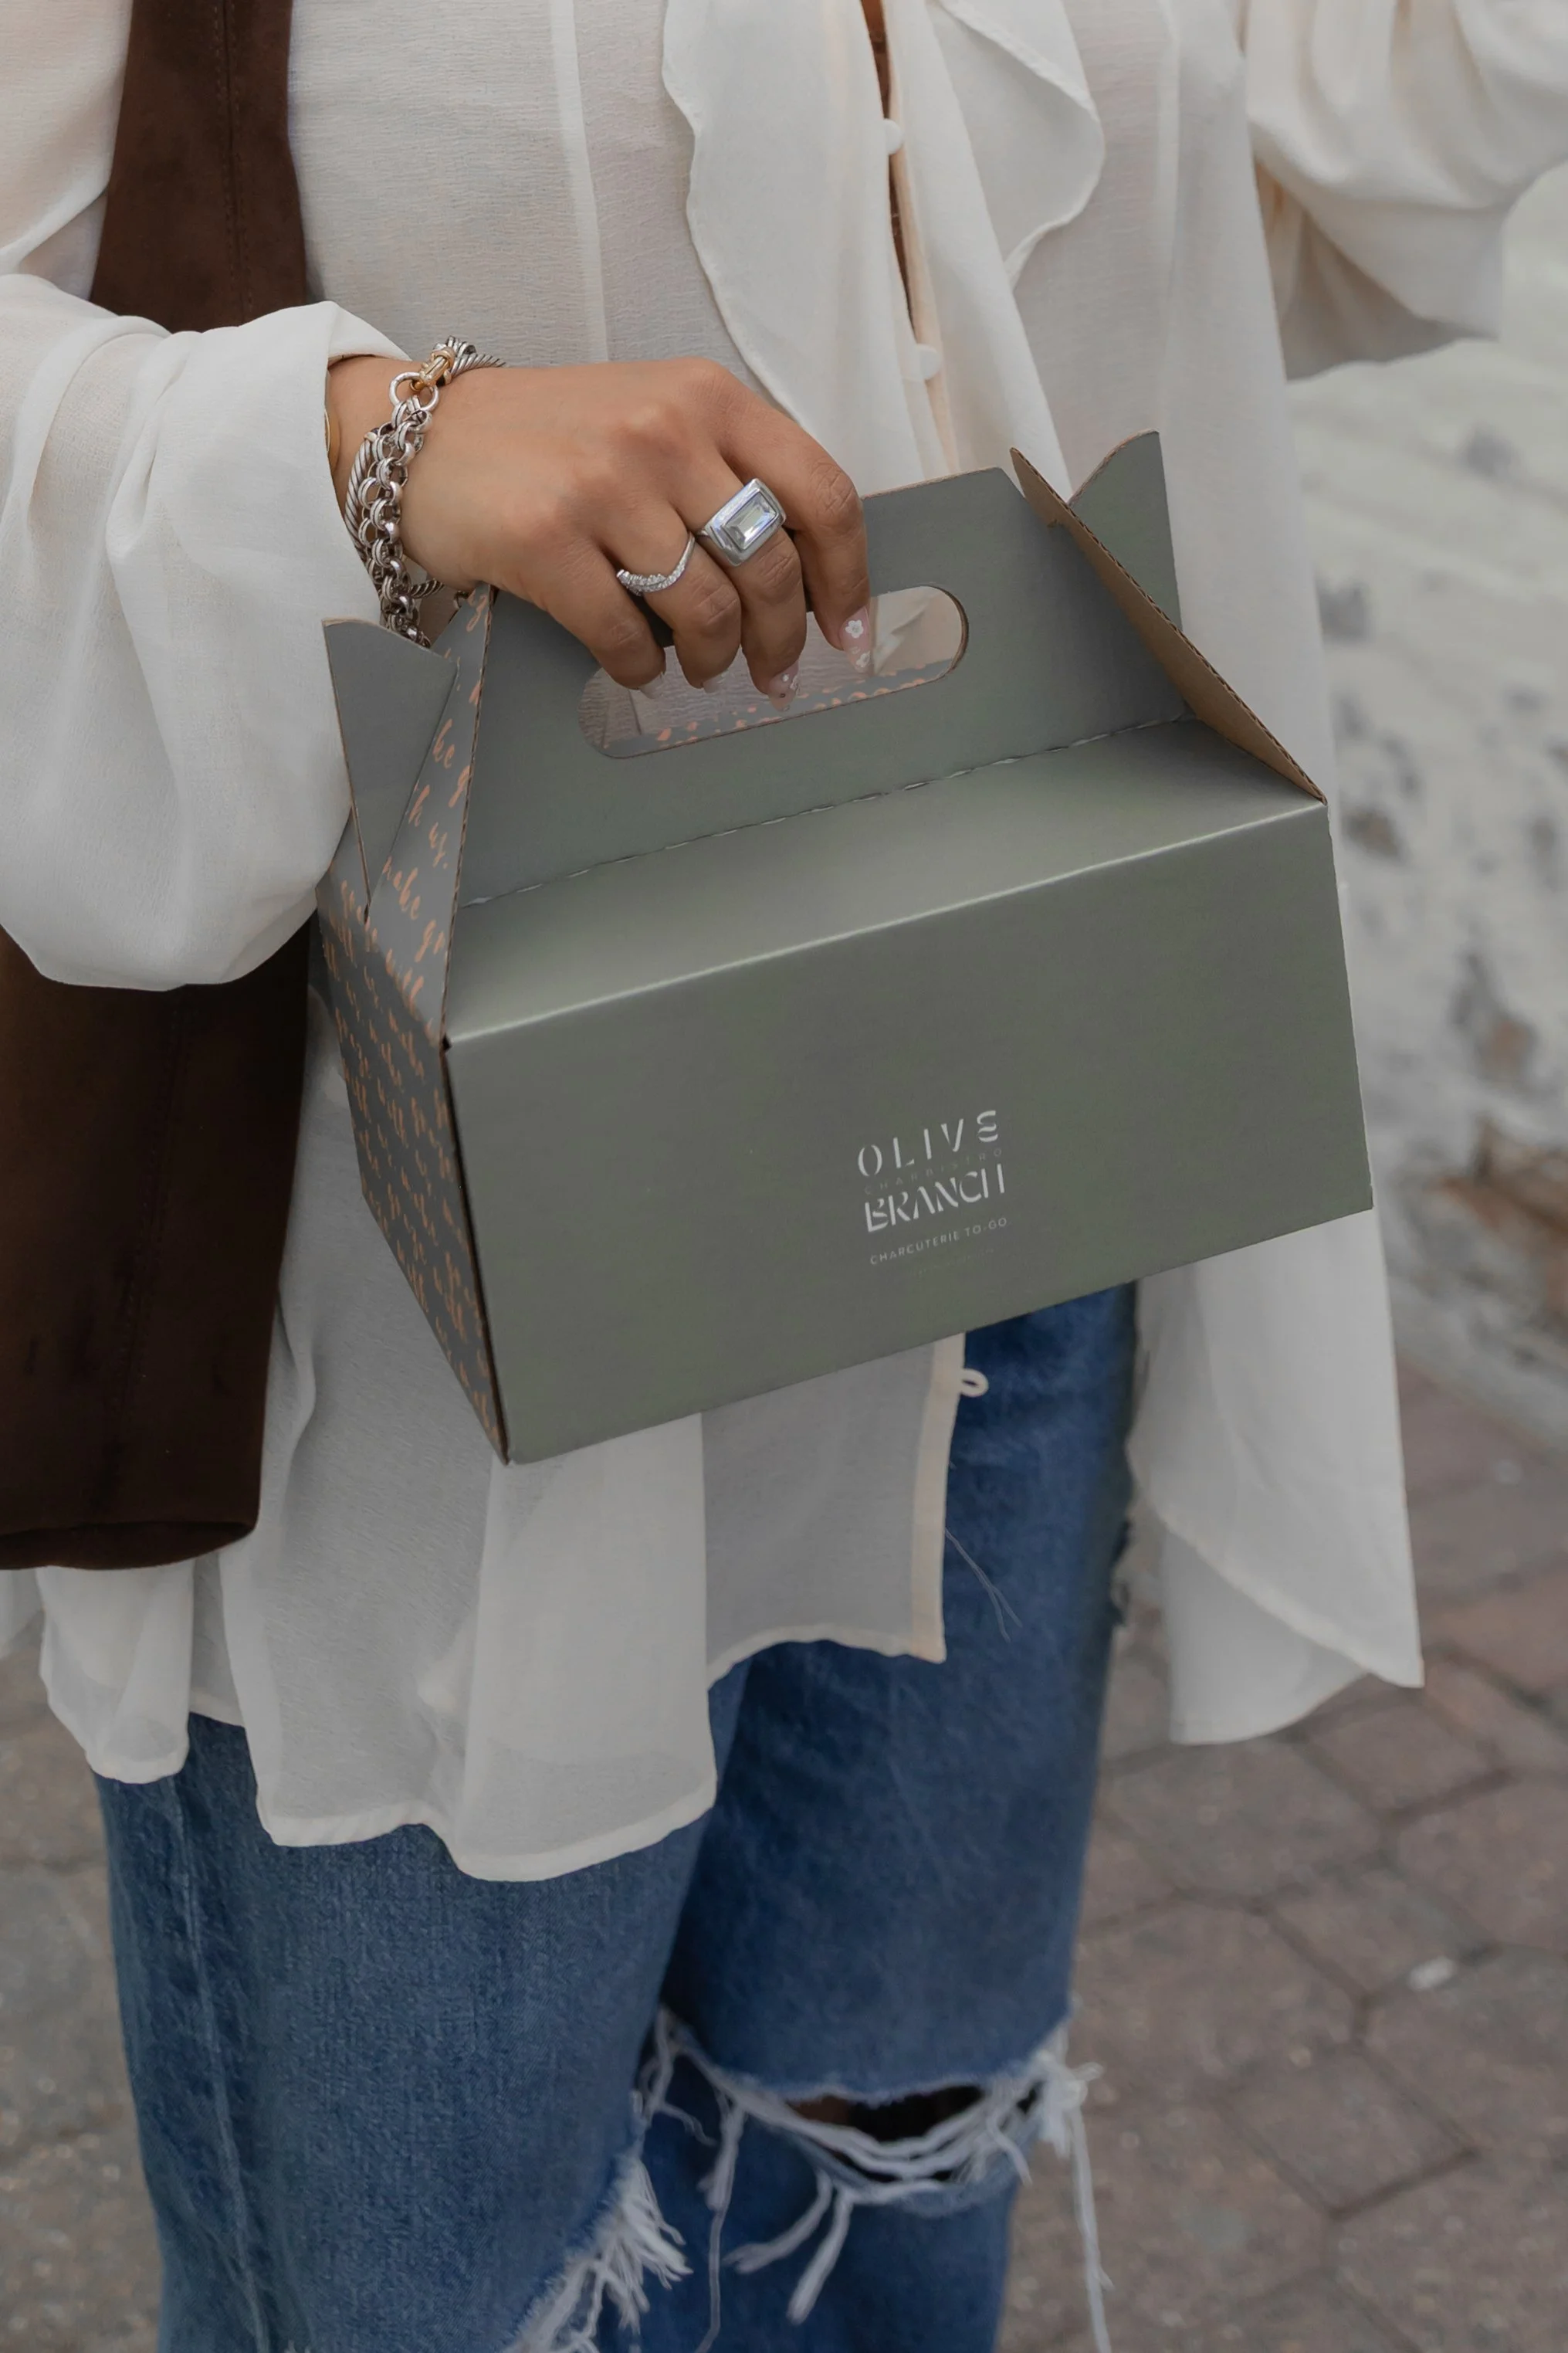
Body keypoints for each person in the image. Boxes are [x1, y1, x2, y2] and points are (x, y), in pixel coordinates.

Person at [2, 4, 1564, 2348]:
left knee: (875, 2220)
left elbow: (1309, 171)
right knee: (423, 2293)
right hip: (444, 1325)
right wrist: (377, 441)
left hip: (999, 1217)